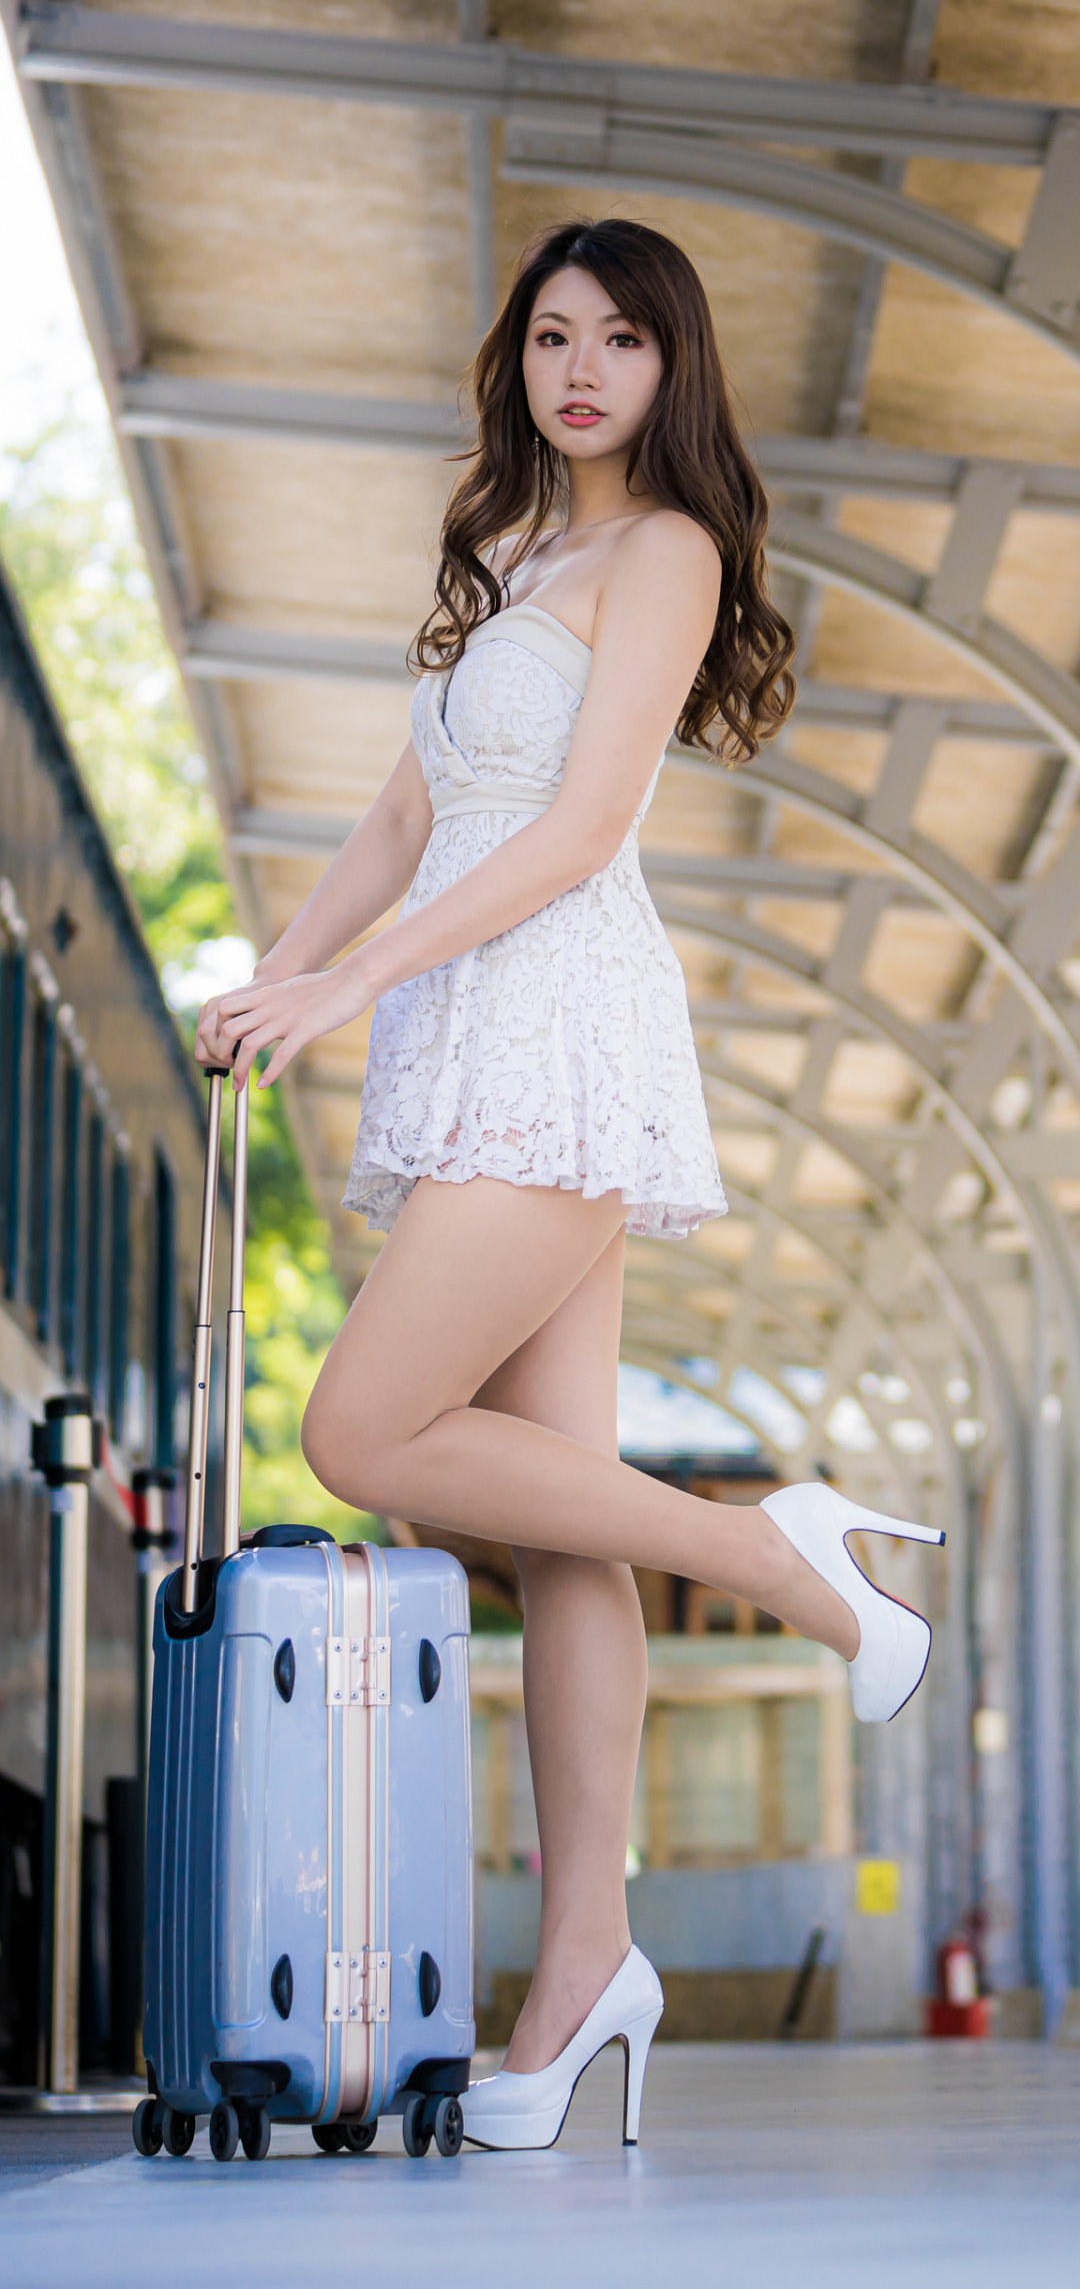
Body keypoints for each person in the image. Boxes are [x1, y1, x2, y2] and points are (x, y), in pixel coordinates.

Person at [196, 217, 943, 2150]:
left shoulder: (667, 554)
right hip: (465, 1030)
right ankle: (584, 1965)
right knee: (560, 1528)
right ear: (515, 363)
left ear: (672, 368)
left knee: (362, 1428)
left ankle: (783, 1560)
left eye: (621, 338)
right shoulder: (512, 558)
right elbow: (405, 809)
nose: (582, 369)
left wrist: (362, 977)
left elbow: (592, 821)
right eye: (551, 337)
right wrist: (289, 968)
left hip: (557, 1028)